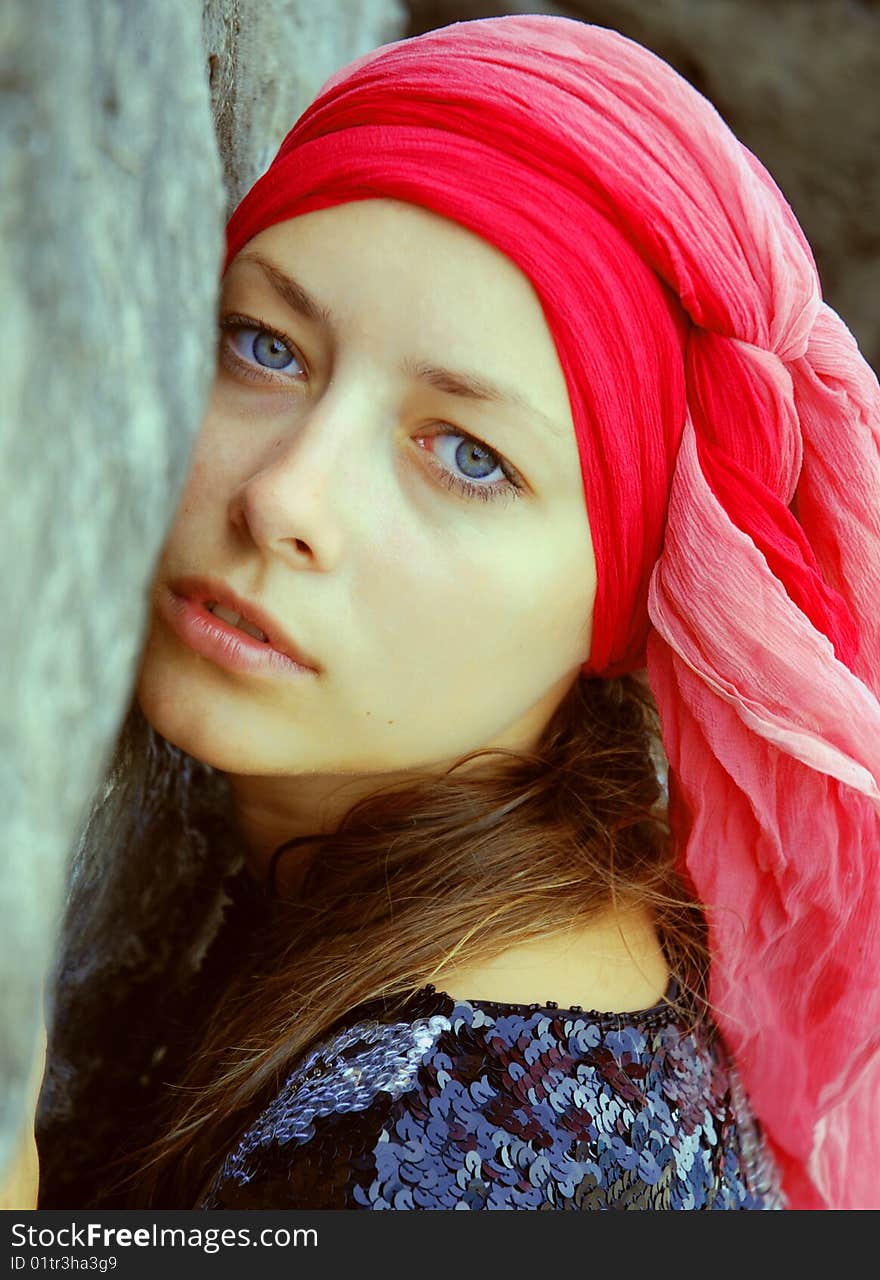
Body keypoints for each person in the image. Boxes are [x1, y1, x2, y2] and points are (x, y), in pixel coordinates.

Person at [35, 14, 880, 1212]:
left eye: (469, 456)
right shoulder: (547, 918)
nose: (285, 495)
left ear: (620, 598)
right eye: (265, 344)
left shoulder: (457, 1145)